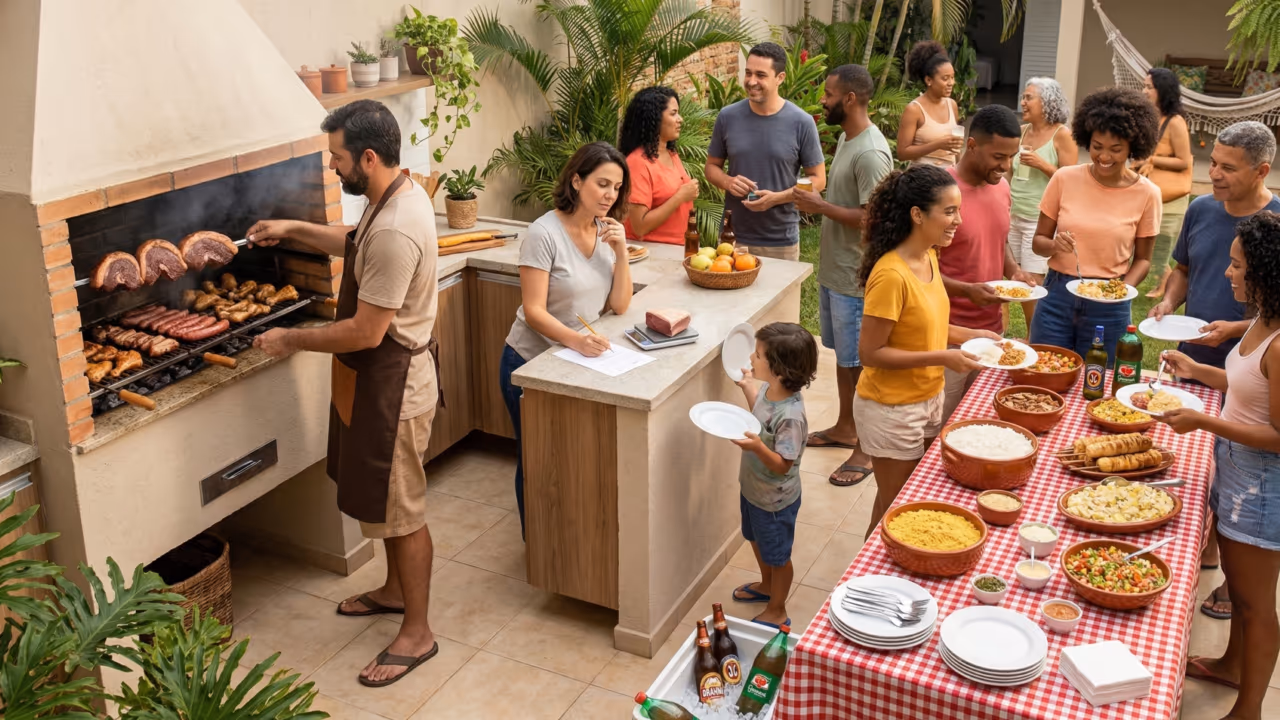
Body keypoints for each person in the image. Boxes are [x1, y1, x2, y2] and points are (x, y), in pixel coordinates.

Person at [247, 100, 441, 687]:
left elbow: (365, 330)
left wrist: (291, 339)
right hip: (374, 379)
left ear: (369, 156)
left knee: (403, 513)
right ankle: (389, 591)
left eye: (336, 157)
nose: (332, 167)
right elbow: (353, 240)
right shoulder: (395, 197)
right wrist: (292, 228)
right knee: (382, 500)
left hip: (394, 387)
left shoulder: (398, 228)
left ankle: (419, 632)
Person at [1147, 120, 1280, 621]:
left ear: (1261, 170)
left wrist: (1238, 328)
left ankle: (1235, 580)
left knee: (1244, 486)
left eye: (1227, 167)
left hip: (1254, 368)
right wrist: (1167, 299)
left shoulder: (1275, 225)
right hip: (1202, 360)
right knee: (1206, 471)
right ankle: (1208, 547)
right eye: (1214, 162)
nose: (1214, 174)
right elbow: (1182, 267)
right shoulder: (1202, 209)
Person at [1159, 212, 1280, 720]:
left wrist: (1203, 424)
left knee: (1254, 603)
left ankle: (1249, 709)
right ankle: (1232, 663)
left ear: (1266, 275)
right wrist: (1199, 371)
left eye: (1236, 266)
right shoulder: (1263, 317)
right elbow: (1247, 388)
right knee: (1233, 575)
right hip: (1236, 474)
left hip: (1261, 487)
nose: (1227, 273)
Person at [851, 165, 995, 536]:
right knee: (899, 514)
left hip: (927, 398)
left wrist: (974, 336)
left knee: (893, 504)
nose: (958, 221)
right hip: (891, 410)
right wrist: (943, 357)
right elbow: (871, 352)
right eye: (949, 211)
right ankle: (868, 584)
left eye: (958, 211)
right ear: (917, 214)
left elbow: (925, 328)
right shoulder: (891, 275)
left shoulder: (929, 257)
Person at [500, 142, 633, 535]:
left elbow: (620, 305)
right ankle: (537, 545)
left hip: (578, 363)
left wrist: (622, 253)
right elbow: (535, 310)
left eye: (616, 187)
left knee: (572, 462)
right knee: (539, 462)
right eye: (602, 184)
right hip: (530, 363)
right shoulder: (544, 234)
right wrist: (576, 341)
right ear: (576, 181)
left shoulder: (603, 230)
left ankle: (565, 549)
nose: (610, 194)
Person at [793, 64, 892, 488]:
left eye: (829, 93)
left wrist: (821, 207)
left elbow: (877, 217)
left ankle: (865, 448)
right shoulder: (848, 140)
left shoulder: (871, 151)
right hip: (836, 274)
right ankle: (844, 427)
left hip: (856, 278)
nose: (823, 100)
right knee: (842, 361)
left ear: (849, 99)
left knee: (861, 366)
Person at [1028, 87, 1162, 363]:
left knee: (1099, 380)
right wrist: (1054, 244)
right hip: (1057, 297)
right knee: (1045, 372)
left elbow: (1144, 260)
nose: (1104, 157)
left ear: (1133, 148)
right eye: (1097, 147)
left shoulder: (1148, 194)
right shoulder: (1064, 179)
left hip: (1110, 304)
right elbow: (1038, 243)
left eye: (1116, 149)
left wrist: (1121, 291)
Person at [939, 104, 1037, 422]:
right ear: (972, 146)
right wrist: (966, 291)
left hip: (992, 332)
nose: (1006, 166)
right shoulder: (939, 191)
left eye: (1012, 157)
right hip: (948, 336)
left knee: (975, 421)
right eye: (999, 157)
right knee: (939, 425)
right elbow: (916, 270)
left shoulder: (1002, 189)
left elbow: (998, 240)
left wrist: (1014, 270)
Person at [728, 322, 818, 629]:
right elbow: (760, 418)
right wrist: (749, 388)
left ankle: (777, 608)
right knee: (755, 539)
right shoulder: (771, 390)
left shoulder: (791, 416)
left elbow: (783, 464)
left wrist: (755, 447)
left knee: (778, 557)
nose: (752, 358)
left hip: (775, 501)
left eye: (758, 355)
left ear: (778, 368)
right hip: (754, 490)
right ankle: (766, 586)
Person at [705, 42, 826, 261]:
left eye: (761, 75)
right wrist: (727, 181)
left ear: (780, 77)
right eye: (748, 73)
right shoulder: (727, 117)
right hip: (733, 237)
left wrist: (778, 198)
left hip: (780, 240)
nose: (751, 81)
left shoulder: (801, 122)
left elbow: (818, 179)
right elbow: (711, 167)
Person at [1006, 77, 1078, 331]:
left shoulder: (1062, 135)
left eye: (1028, 98)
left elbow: (1071, 181)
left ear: (1046, 102)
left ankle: (1035, 338)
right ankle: (996, 335)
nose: (1022, 102)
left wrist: (1042, 164)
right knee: (1005, 280)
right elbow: (1010, 172)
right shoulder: (1022, 132)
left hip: (1038, 221)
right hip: (1013, 216)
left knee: (1032, 285)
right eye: (1023, 97)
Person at [1138, 68, 1194, 299]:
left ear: (1163, 90)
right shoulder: (1151, 117)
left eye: (1149, 87)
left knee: (1163, 244)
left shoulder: (1176, 121)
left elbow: (1184, 161)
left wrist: (1151, 159)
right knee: (1151, 241)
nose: (1144, 91)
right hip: (1152, 190)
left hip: (1170, 195)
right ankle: (1163, 280)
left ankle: (1164, 284)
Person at [620, 86, 699, 245]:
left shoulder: (671, 153)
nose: (680, 119)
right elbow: (639, 227)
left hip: (678, 248)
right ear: (654, 118)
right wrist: (680, 197)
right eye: (673, 113)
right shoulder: (637, 163)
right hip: (652, 253)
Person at [897, 40, 964, 168]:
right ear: (929, 80)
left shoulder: (952, 105)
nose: (951, 83)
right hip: (922, 179)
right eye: (945, 78)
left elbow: (955, 149)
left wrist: (959, 170)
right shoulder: (914, 110)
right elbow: (902, 153)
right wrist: (938, 144)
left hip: (948, 177)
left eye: (952, 77)